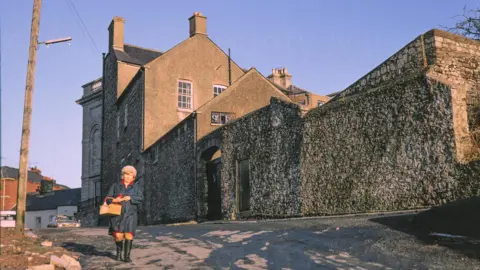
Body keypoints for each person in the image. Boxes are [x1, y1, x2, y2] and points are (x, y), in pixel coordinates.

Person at [104, 165, 144, 262]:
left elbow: (141, 198)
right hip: (117, 214)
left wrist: (130, 198)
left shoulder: (136, 187)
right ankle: (118, 254)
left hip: (131, 214)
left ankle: (126, 256)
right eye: (126, 174)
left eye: (130, 175)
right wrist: (115, 200)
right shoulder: (115, 185)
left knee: (129, 235)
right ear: (123, 175)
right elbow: (108, 199)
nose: (128, 177)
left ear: (133, 177)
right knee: (118, 235)